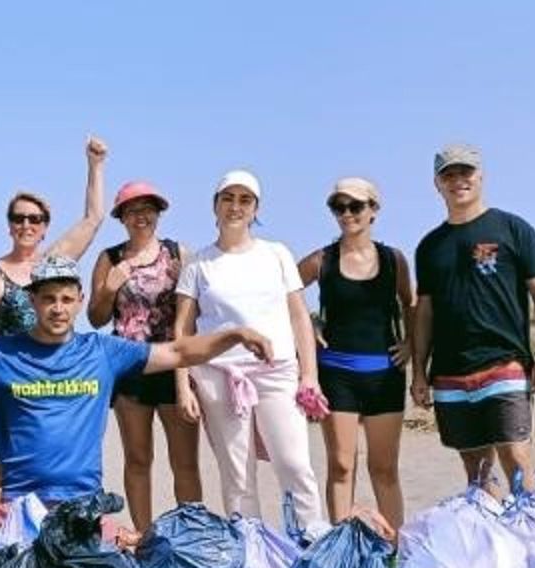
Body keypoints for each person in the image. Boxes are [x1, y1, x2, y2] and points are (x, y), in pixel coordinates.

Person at [0, 255, 273, 519]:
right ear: (33, 301)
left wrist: (234, 334)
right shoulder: (2, 354)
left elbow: (179, 352)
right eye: (48, 298)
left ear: (78, 300)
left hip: (82, 507)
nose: (57, 308)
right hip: (18, 507)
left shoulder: (103, 351)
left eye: (66, 299)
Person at [174, 170, 330, 539]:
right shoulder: (198, 263)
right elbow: (182, 329)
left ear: (256, 208)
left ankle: (310, 542)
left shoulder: (276, 254)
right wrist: (183, 384)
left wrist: (309, 375)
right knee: (237, 473)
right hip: (219, 376)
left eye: (245, 200)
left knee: (293, 464)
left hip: (276, 372)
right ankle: (252, 549)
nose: (235, 207)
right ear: (215, 206)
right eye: (227, 198)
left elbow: (298, 317)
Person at [411, 144, 535, 497]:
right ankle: (497, 547)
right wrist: (418, 371)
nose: (458, 181)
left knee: (516, 454)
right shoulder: (430, 246)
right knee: (477, 472)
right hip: (450, 372)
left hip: (503, 364)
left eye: (465, 173)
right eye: (449, 175)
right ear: (437, 183)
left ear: (480, 176)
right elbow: (424, 313)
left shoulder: (511, 227)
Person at [297, 178, 415, 530]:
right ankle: (341, 550)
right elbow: (281, 292)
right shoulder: (322, 260)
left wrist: (410, 344)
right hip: (337, 376)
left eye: (356, 206)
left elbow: (411, 304)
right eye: (339, 207)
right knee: (341, 466)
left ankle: (393, 551)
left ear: (373, 210)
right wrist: (308, 327)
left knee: (383, 469)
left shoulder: (394, 260)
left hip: (385, 375)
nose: (347, 214)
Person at [86, 181, 201, 530]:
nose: (142, 216)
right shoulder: (109, 259)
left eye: (148, 209)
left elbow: (194, 314)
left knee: (185, 461)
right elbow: (96, 317)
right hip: (130, 367)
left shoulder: (179, 254)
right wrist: (110, 286)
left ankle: (192, 537)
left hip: (173, 364)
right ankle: (144, 536)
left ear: (159, 213)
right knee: (138, 458)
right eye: (133, 210)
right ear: (121, 217)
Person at [0, 135, 109, 345]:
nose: (26, 225)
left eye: (34, 219)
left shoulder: (53, 263)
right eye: (18, 219)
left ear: (45, 227)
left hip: (58, 368)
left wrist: (95, 164)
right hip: (13, 370)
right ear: (9, 226)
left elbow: (93, 218)